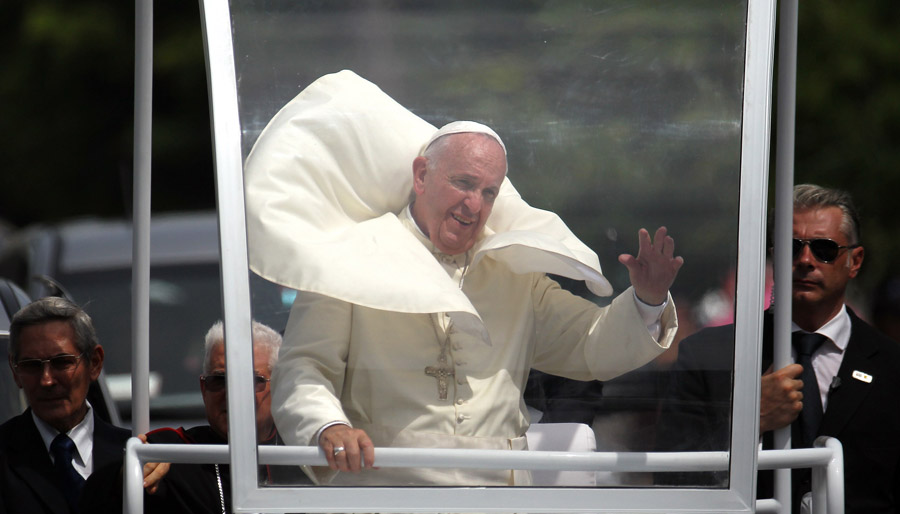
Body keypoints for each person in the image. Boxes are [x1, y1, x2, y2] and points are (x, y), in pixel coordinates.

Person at [271, 120, 683, 486]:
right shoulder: (352, 257)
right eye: (464, 184)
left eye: (489, 192)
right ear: (421, 175)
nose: (474, 206)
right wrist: (327, 425)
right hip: (386, 486)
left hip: (496, 494)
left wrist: (647, 300)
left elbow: (591, 345)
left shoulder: (512, 272)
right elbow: (303, 366)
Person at [657, 184, 900, 514]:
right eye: (791, 248)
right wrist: (747, 421)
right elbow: (672, 478)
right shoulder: (707, 356)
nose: (805, 260)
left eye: (825, 249)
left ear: (854, 261)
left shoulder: (890, 366)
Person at [105, 320, 309, 514]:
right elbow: (97, 498)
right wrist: (126, 475)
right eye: (219, 380)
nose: (232, 394)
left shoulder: (306, 457)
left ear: (281, 386)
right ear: (204, 389)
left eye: (251, 380)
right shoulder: (171, 453)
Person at [0, 296, 130, 514]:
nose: (47, 380)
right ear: (15, 372)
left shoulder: (134, 457)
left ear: (95, 363)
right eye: (31, 366)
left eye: (62, 362)